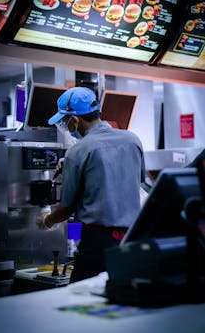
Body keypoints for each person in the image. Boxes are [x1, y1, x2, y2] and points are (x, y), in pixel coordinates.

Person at [38, 86, 145, 283]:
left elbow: (65, 209)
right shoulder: (133, 140)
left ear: (75, 120)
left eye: (65, 121)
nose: (67, 127)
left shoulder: (78, 151)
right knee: (121, 299)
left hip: (97, 245)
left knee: (80, 300)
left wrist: (46, 221)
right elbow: (132, 181)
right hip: (131, 241)